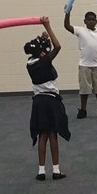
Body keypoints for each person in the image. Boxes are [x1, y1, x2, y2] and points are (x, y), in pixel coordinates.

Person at [25, 17, 70, 180]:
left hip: (38, 102)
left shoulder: (31, 62)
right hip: (51, 101)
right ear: (43, 52)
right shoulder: (45, 61)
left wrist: (43, 38)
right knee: (53, 135)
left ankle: (41, 170)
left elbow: (40, 50)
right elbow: (58, 46)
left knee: (42, 135)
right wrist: (48, 27)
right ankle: (56, 170)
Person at [63, 8, 97, 118]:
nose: (91, 21)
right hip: (85, 65)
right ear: (85, 21)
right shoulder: (80, 31)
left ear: (96, 21)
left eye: (93, 20)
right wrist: (68, 13)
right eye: (89, 20)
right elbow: (67, 26)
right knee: (84, 89)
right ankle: (83, 109)